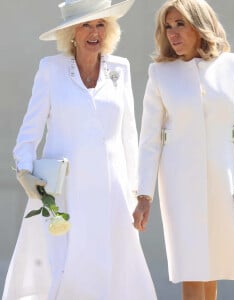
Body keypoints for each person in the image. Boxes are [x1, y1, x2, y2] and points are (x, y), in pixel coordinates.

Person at [3, 0, 157, 299]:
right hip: (63, 190)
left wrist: (140, 193)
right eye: (85, 24)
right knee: (64, 265)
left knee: (114, 270)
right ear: (71, 32)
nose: (94, 31)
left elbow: (128, 134)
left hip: (112, 190)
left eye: (101, 24)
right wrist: (24, 171)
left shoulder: (120, 68)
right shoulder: (50, 69)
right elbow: (29, 132)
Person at [133, 0, 234, 299]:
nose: (172, 33)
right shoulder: (160, 73)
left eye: (180, 24)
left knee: (212, 266)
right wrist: (144, 195)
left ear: (200, 25)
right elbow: (149, 140)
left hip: (224, 180)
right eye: (168, 27)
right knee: (191, 265)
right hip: (179, 183)